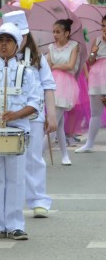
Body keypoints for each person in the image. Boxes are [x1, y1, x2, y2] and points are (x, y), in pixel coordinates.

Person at [0, 11, 57, 219]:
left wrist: (52, 116)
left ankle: (38, 200)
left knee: (32, 158)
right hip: (2, 116)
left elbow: (48, 86)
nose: (13, 41)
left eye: (18, 36)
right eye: (4, 39)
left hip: (32, 116)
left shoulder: (37, 59)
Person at [0, 23, 41, 241]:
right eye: (0, 41)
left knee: (15, 179)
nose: (3, 45)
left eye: (8, 41)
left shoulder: (27, 73)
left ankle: (15, 224)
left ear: (16, 45)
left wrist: (16, 115)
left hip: (17, 131)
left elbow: (35, 103)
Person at [47, 19, 79, 166]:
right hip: (52, 84)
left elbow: (71, 65)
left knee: (54, 121)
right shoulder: (51, 47)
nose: (55, 34)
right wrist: (54, 67)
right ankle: (65, 155)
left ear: (67, 33)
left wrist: (56, 66)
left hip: (65, 85)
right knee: (59, 123)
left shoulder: (74, 46)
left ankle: (36, 154)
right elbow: (47, 67)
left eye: (58, 32)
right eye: (53, 31)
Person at [76, 15, 106, 154]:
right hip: (97, 78)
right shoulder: (97, 41)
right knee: (95, 113)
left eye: (105, 25)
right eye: (103, 25)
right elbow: (91, 62)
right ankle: (89, 144)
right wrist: (94, 52)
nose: (103, 28)